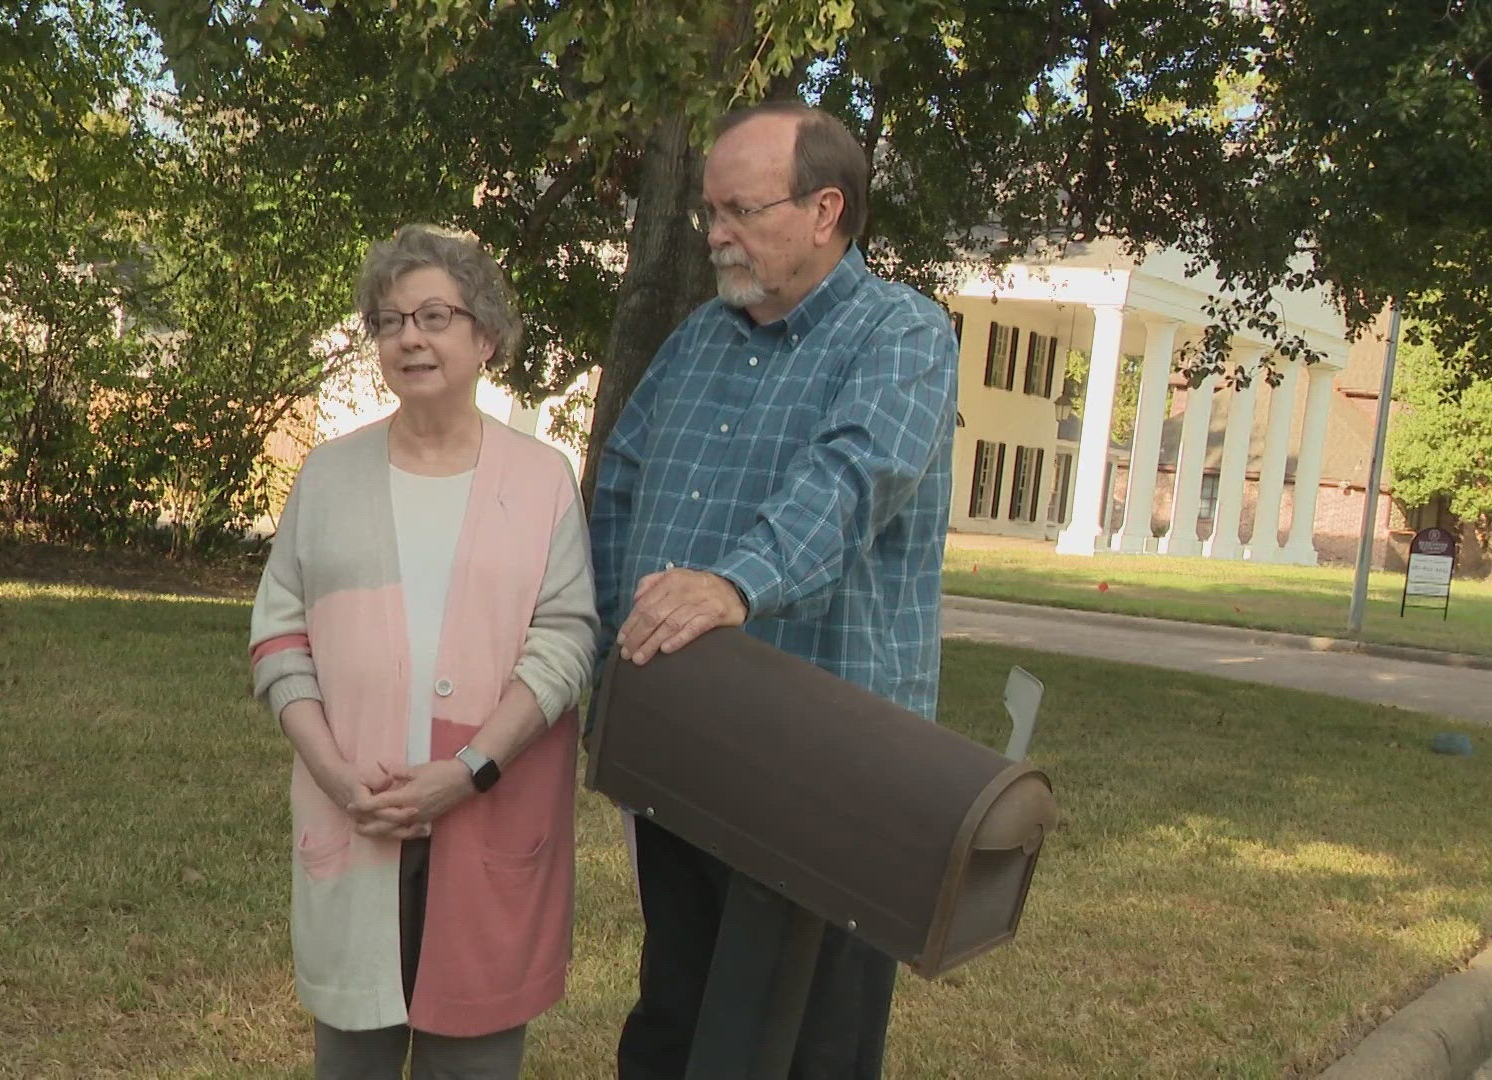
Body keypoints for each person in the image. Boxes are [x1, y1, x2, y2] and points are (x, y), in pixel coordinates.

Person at [591, 103, 960, 1078]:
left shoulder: (903, 337)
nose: (716, 233)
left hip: (829, 764)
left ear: (825, 209)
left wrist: (733, 584)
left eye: (740, 210)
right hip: (683, 745)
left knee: (809, 1042)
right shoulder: (696, 343)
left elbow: (855, 477)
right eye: (708, 212)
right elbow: (620, 492)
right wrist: (608, 668)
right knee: (678, 1014)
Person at [250, 224, 598, 1079]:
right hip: (355, 815)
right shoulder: (328, 477)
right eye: (389, 320)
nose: (409, 336)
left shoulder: (542, 478)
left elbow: (565, 642)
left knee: (472, 1055)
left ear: (485, 336)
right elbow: (278, 636)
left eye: (435, 315)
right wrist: (337, 776)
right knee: (353, 1057)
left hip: (488, 817)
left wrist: (470, 768)